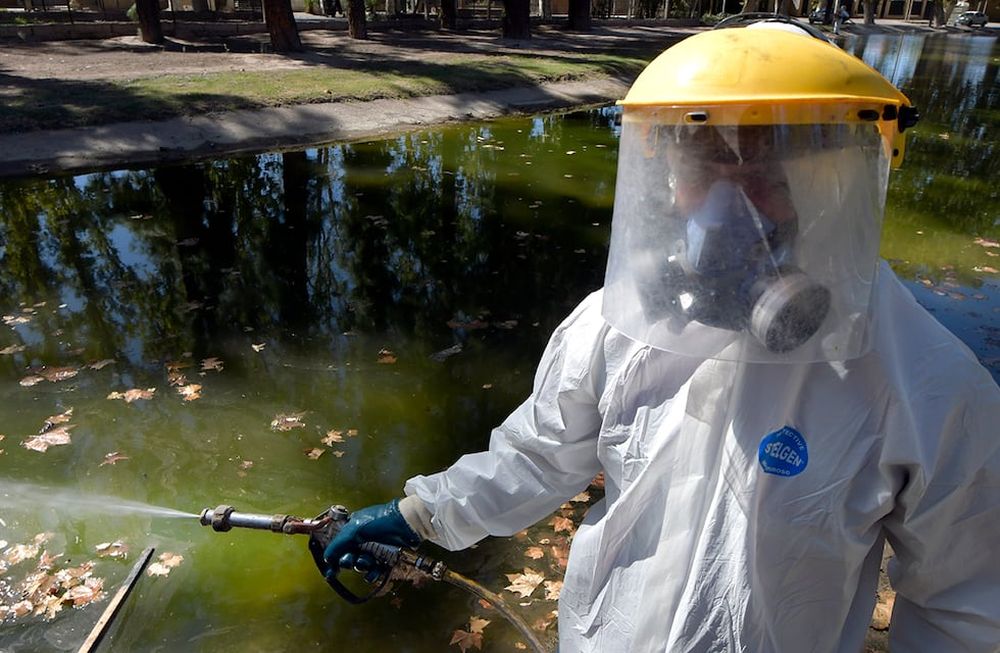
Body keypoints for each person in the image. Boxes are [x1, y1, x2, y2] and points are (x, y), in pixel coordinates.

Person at [319, 24, 1000, 652]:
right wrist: (421, 512)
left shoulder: (926, 383)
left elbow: (963, 607)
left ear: (833, 185)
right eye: (705, 170)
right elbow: (540, 454)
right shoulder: (616, 321)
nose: (730, 212)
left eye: (765, 176)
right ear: (666, 175)